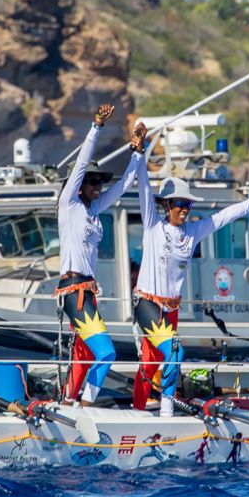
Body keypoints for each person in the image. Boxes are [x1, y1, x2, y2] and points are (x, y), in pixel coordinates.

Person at [133, 141, 249, 416]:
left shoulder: (193, 231)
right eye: (179, 203)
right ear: (167, 205)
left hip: (171, 308)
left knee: (152, 363)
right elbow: (142, 187)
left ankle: (139, 410)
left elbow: (224, 216)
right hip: (147, 303)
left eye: (187, 203)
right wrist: (139, 154)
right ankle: (165, 412)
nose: (184, 208)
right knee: (174, 352)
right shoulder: (153, 224)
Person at [56, 104, 145, 406]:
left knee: (83, 352)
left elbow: (123, 187)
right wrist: (96, 126)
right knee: (106, 352)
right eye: (93, 182)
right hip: (73, 290)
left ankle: (69, 401)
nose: (98, 186)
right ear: (79, 185)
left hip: (88, 291)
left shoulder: (93, 210)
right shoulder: (69, 205)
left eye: (99, 182)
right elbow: (80, 164)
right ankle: (89, 404)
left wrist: (137, 154)